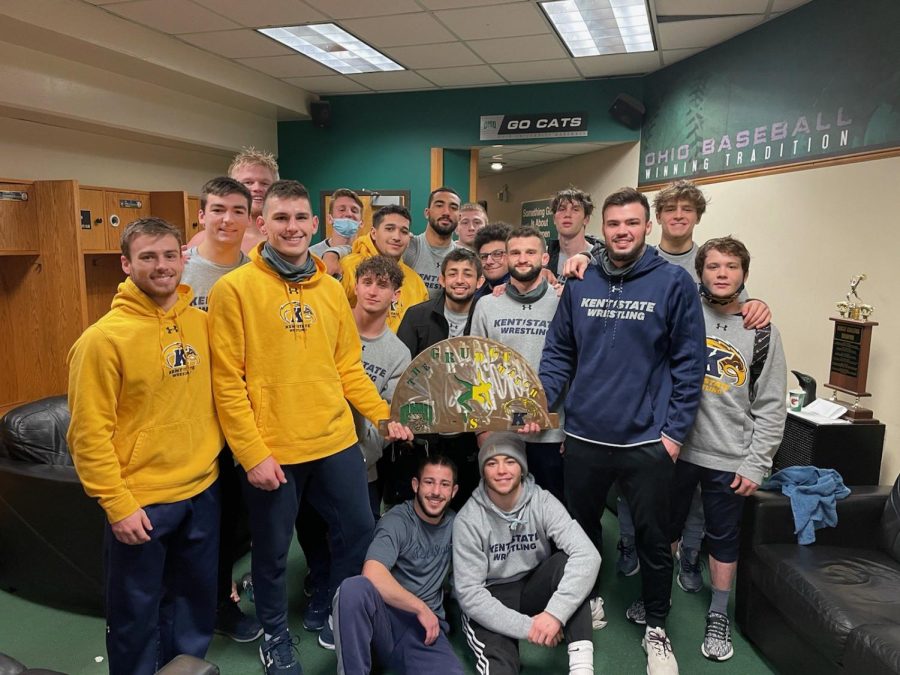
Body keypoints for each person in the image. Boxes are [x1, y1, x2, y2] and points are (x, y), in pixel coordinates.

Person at [207, 180, 413, 674]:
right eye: (281, 218)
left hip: (335, 440)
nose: (292, 227)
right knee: (273, 551)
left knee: (360, 530)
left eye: (300, 218)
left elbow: (347, 369)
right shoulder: (234, 289)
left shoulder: (328, 289)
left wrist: (385, 415)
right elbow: (227, 383)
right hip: (274, 451)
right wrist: (253, 454)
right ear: (263, 224)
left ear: (314, 225)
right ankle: (275, 634)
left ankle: (340, 610)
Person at [563, 179, 771, 588]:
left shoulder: (698, 268)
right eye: (671, 209)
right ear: (657, 219)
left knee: (675, 512)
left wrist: (755, 303)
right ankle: (626, 547)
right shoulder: (613, 263)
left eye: (687, 210)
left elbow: (724, 293)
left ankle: (686, 563)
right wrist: (580, 260)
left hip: (686, 421)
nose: (678, 216)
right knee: (631, 502)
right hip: (628, 417)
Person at [540, 187, 706, 675]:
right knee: (582, 532)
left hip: (647, 441)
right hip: (587, 435)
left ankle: (657, 627)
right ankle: (589, 598)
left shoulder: (673, 283)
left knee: (655, 542)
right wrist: (544, 401)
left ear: (646, 227)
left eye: (632, 223)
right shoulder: (580, 279)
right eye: (614, 224)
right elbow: (559, 353)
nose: (622, 231)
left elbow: (690, 363)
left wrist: (673, 434)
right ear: (603, 229)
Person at [67, 217, 223, 675]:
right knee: (136, 615)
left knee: (194, 606)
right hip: (143, 502)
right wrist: (117, 504)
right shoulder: (101, 340)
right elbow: (87, 434)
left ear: (184, 258)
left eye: (170, 255)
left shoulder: (202, 324)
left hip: (202, 490)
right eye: (148, 257)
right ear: (126, 264)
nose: (162, 266)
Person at [671, 236, 786, 662]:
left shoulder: (761, 332)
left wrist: (757, 463)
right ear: (699, 272)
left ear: (744, 275)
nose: (722, 273)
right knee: (667, 527)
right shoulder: (683, 315)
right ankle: (659, 597)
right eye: (714, 266)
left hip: (729, 455)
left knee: (724, 537)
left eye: (731, 266)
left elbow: (772, 405)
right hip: (677, 449)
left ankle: (718, 612)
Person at [181, 177, 262, 642]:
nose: (227, 219)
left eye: (237, 210)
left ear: (250, 219)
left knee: (237, 516)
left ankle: (224, 592)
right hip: (196, 414)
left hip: (246, 412)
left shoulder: (257, 274)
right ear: (202, 215)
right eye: (218, 210)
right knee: (206, 519)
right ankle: (212, 603)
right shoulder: (182, 273)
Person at [453, 433, 600, 675]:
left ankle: (582, 668)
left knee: (569, 566)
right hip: (492, 594)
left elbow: (588, 555)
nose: (501, 470)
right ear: (483, 471)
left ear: (521, 467)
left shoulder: (541, 501)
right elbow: (470, 595)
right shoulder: (468, 520)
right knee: (500, 668)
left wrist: (554, 614)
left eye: (510, 461)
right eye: (492, 463)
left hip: (533, 585)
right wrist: (531, 627)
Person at [333, 455, 464, 675]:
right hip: (383, 621)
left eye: (444, 484)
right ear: (415, 485)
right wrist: (419, 607)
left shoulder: (458, 524)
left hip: (425, 630)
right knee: (353, 589)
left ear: (454, 491)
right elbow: (372, 573)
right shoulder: (397, 520)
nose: (436, 492)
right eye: (429, 482)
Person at [469, 225, 565, 503]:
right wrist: (481, 427)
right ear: (507, 259)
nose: (523, 259)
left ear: (544, 259)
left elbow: (575, 366)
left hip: (550, 432)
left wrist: (572, 432)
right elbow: (477, 369)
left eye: (530, 252)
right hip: (501, 430)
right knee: (502, 508)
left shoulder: (562, 301)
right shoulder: (487, 305)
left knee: (551, 510)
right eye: (516, 253)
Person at [394, 248, 484, 510]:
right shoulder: (417, 315)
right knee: (419, 498)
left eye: (467, 274)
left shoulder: (487, 313)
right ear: (442, 279)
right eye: (452, 273)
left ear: (479, 282)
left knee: (465, 499)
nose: (459, 280)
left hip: (468, 429)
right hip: (425, 430)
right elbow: (403, 373)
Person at [341, 204, 428, 332]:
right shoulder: (348, 267)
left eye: (404, 231)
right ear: (374, 233)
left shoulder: (416, 283)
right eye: (389, 229)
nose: (397, 237)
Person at [187, 147, 279, 252]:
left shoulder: (286, 238)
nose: (257, 188)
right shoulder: (202, 241)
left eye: (265, 183)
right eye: (248, 182)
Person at [403, 186, 461, 295]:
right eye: (439, 205)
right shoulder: (408, 247)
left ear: (460, 217)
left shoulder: (464, 257)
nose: (446, 212)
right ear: (427, 213)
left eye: (453, 207)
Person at [547, 188, 600, 282]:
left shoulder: (600, 258)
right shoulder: (545, 257)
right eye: (562, 209)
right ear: (554, 219)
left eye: (575, 209)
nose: (567, 214)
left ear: (586, 219)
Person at [309, 188, 364, 276]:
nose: (349, 214)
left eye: (354, 211)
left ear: (361, 223)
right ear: (330, 219)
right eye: (342, 210)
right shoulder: (311, 255)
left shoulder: (366, 252)